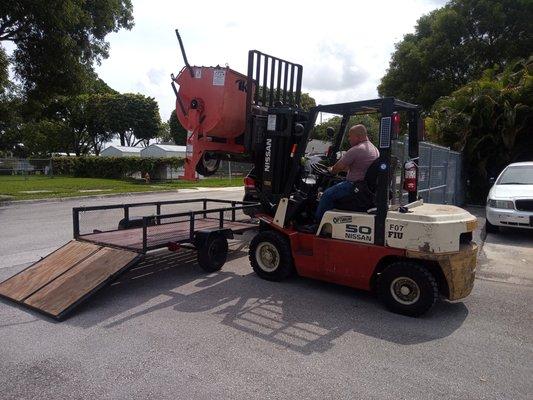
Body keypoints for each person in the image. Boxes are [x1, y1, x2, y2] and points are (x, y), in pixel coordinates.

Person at [314, 124, 380, 224]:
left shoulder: (356, 149)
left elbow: (337, 168)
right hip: (365, 187)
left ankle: (316, 224)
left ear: (357, 136)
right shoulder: (374, 149)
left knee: (326, 195)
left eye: (350, 136)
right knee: (335, 184)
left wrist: (331, 170)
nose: (349, 139)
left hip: (354, 186)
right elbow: (360, 168)